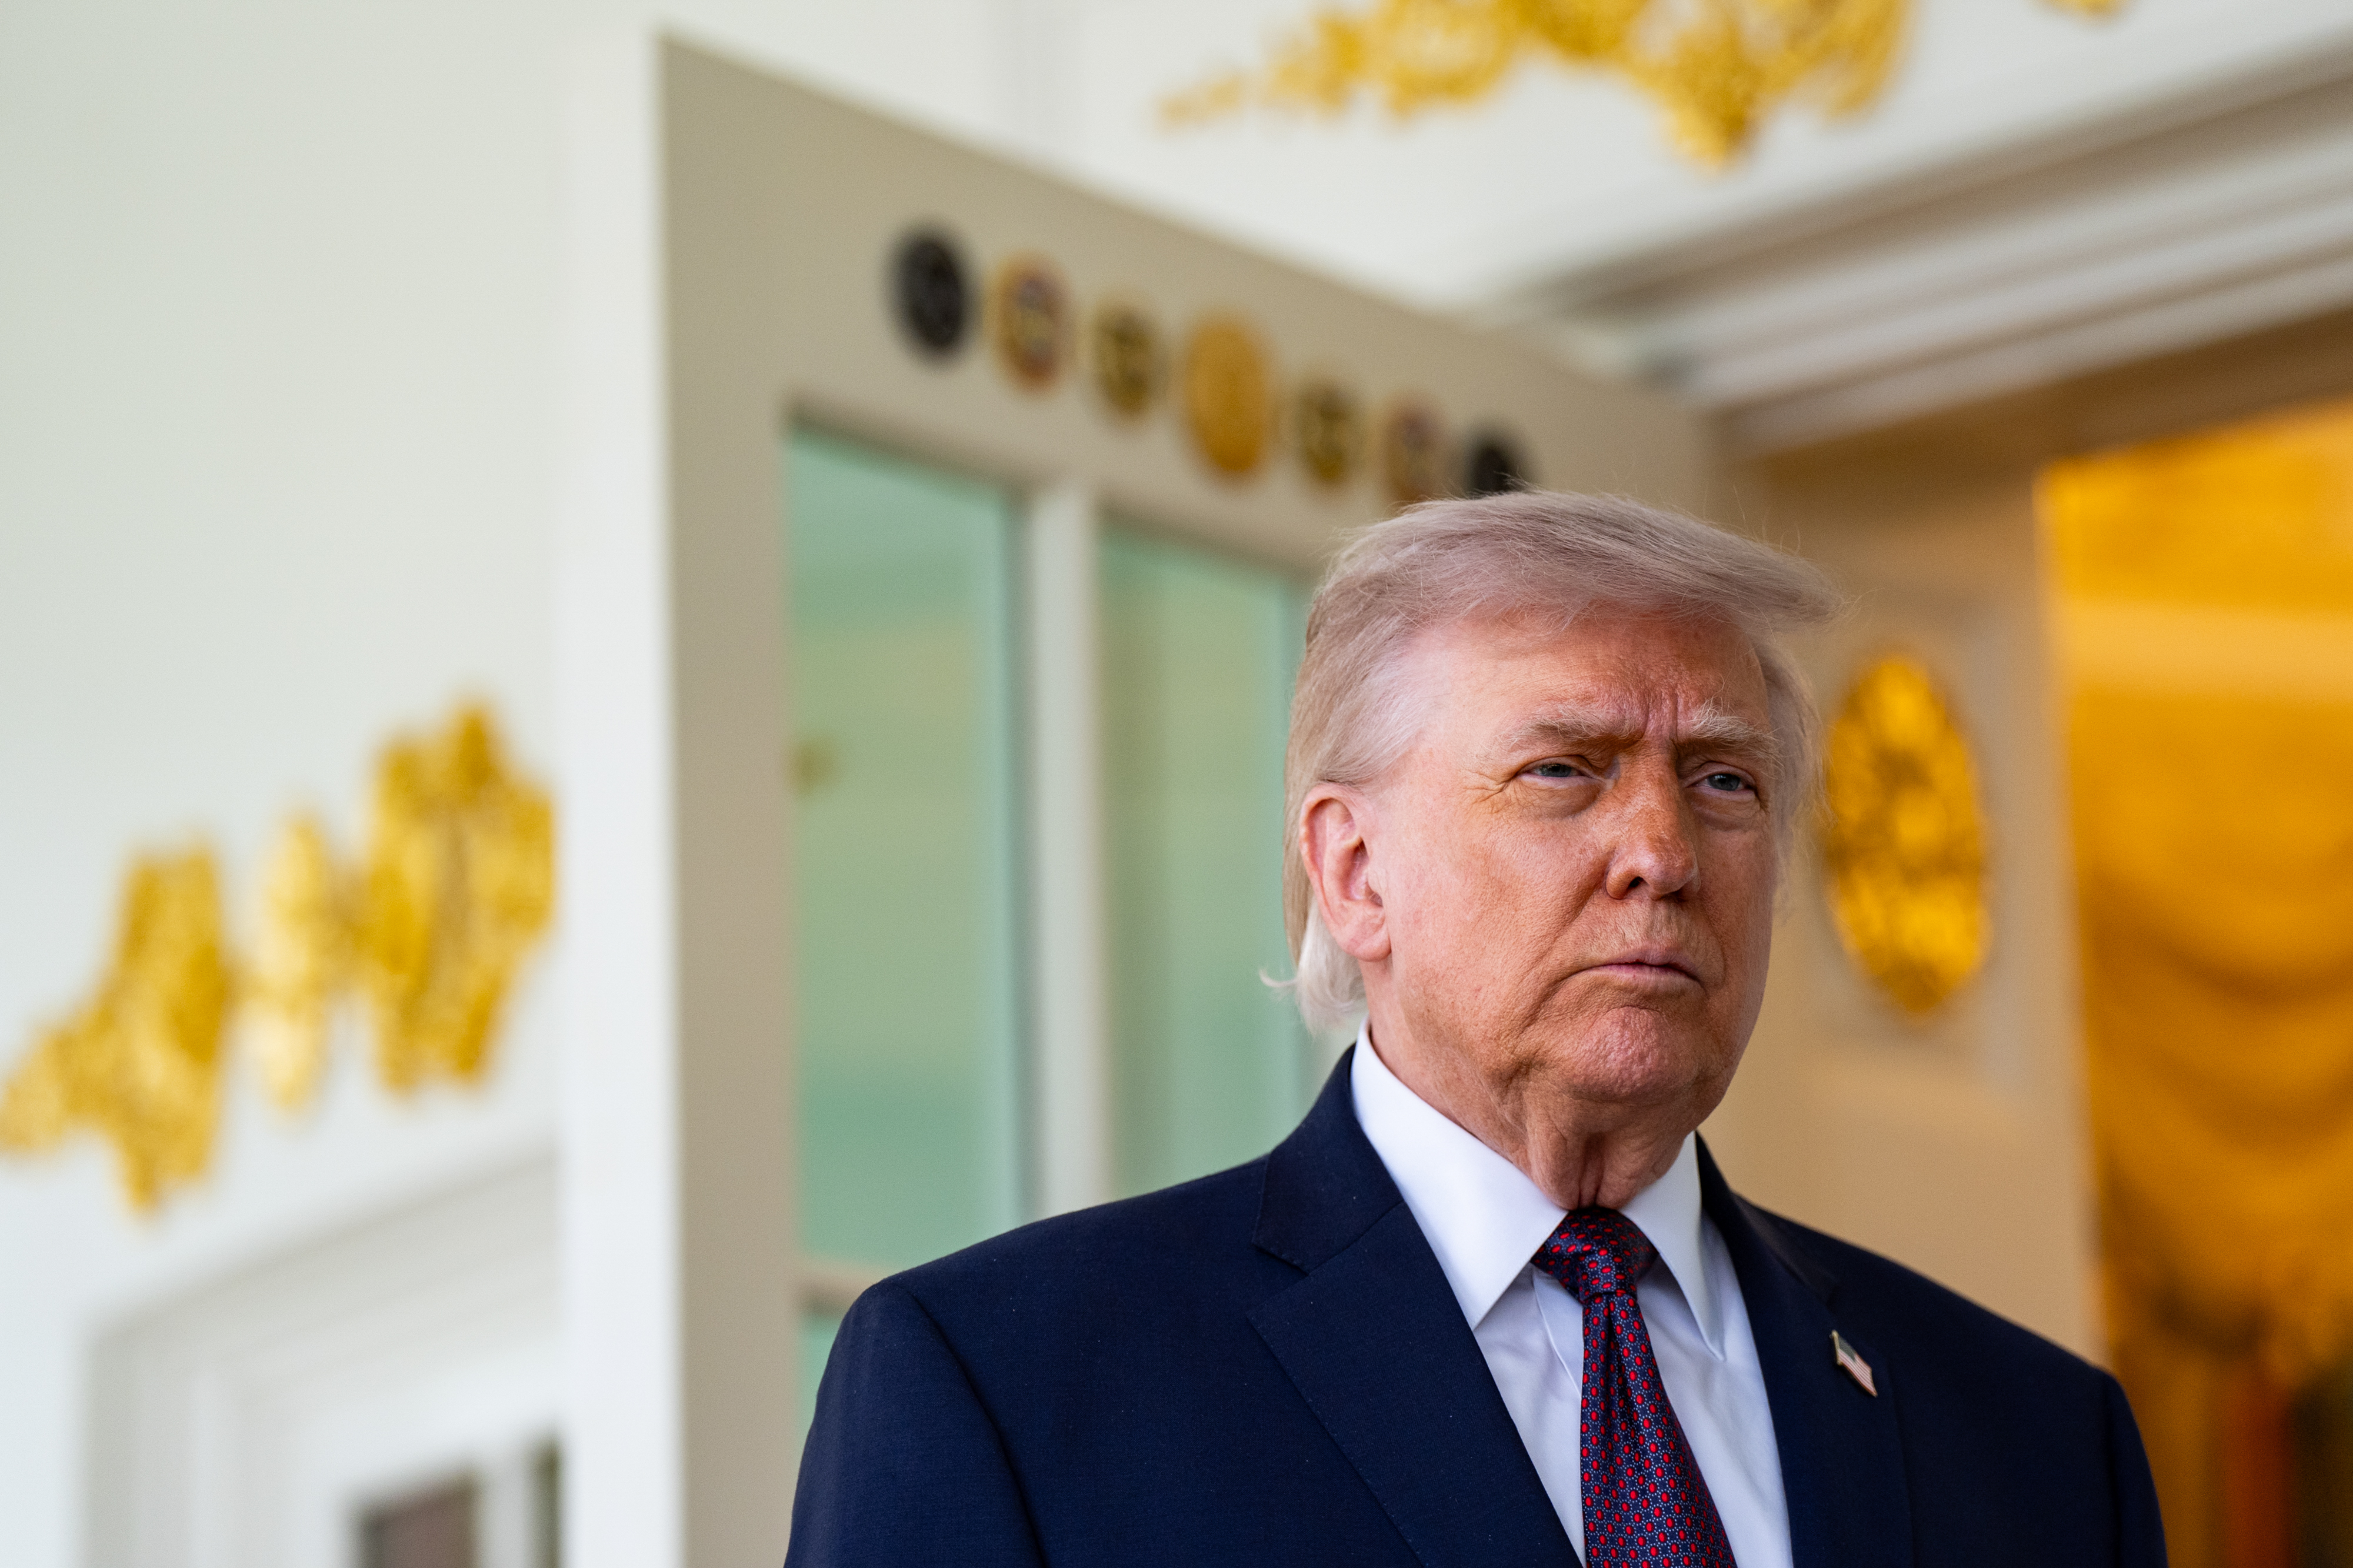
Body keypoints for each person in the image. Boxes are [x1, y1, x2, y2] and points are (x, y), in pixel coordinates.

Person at [787, 492, 2165, 1567]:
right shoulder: (1010, 1388)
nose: (1659, 851)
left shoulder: (2036, 1439)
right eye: (1561, 770)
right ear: (1353, 871)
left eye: (1722, 779)